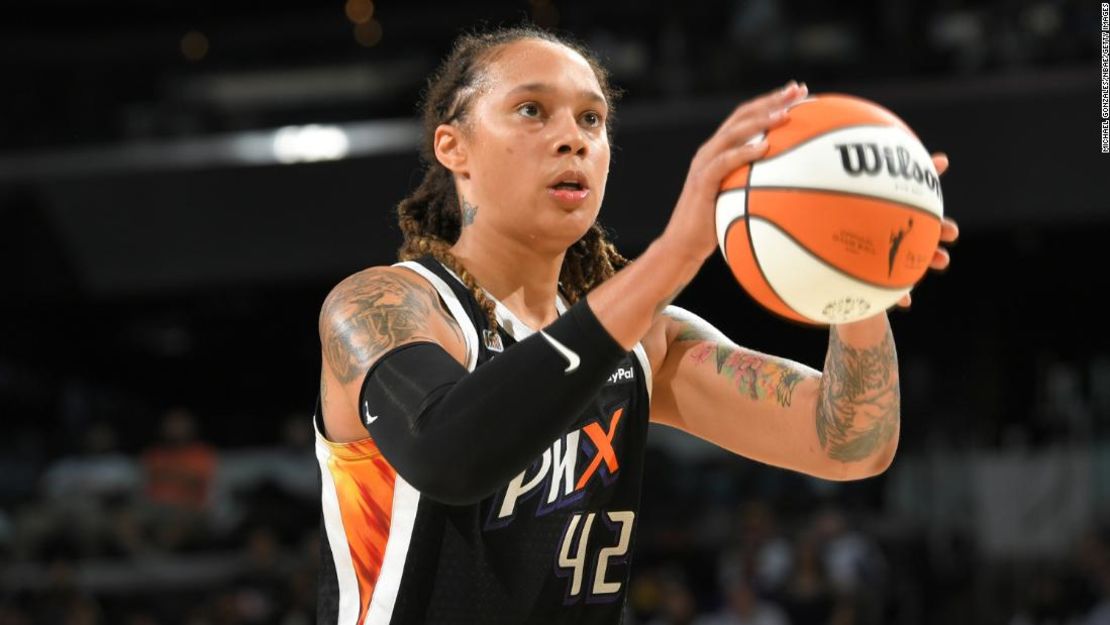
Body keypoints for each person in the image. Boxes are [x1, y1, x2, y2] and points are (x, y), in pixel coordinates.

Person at [314, 25, 959, 625]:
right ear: (453, 147)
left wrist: (859, 283)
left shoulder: (648, 343)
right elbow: (447, 454)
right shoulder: (383, 307)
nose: (573, 137)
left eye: (591, 119)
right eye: (532, 110)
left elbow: (849, 444)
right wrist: (675, 254)